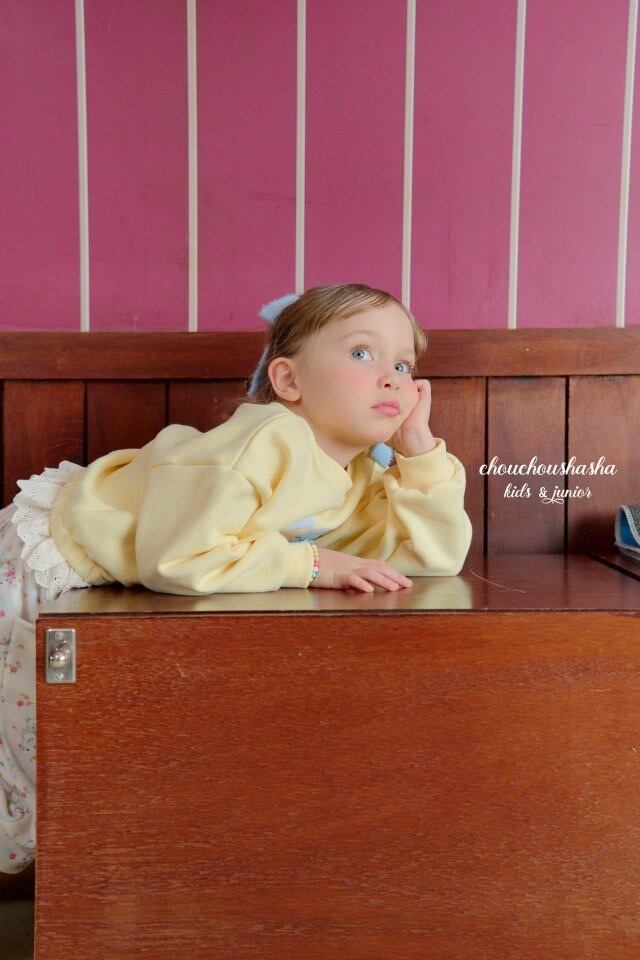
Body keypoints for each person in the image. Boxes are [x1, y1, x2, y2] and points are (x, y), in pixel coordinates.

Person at [0, 282, 472, 874]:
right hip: (46, 561)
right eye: (361, 353)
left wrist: (419, 449)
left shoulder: (356, 476)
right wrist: (314, 564)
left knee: (68, 767)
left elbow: (430, 557)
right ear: (289, 381)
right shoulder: (266, 437)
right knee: (34, 752)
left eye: (404, 365)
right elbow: (178, 556)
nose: (392, 380)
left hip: (106, 587)